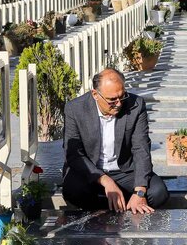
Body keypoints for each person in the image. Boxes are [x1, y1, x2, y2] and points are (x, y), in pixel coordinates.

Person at [63, 68, 169, 214]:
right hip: (90, 170)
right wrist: (106, 181)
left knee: (158, 193)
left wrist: (139, 192)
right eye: (112, 100)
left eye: (122, 96)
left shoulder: (136, 105)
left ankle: (125, 203)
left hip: (124, 170)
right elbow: (74, 155)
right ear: (95, 94)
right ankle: (115, 208)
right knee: (73, 191)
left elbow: (141, 148)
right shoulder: (74, 109)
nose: (119, 104)